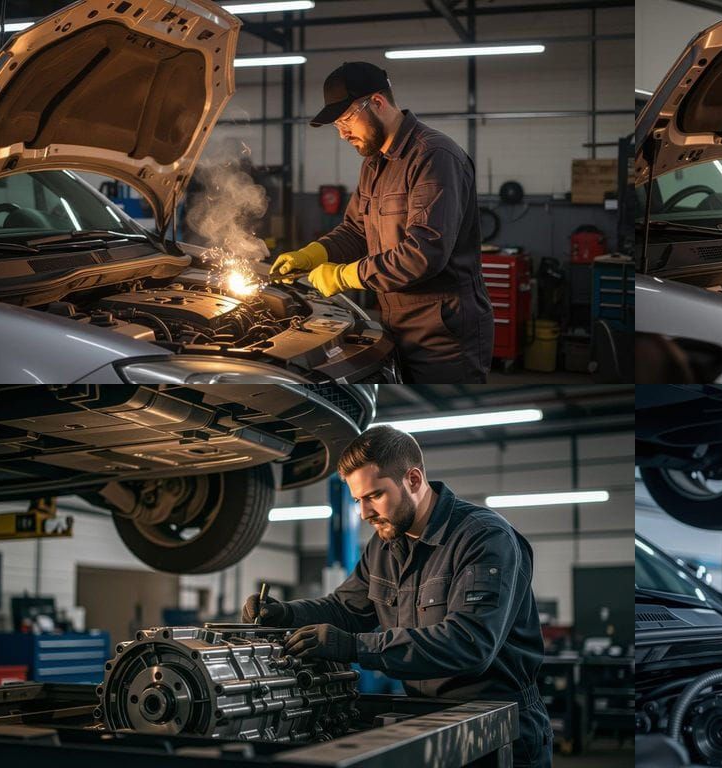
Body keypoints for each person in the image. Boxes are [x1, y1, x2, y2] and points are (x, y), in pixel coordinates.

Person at [241, 426, 551, 765]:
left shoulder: (483, 538)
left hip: (500, 725)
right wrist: (286, 613)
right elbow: (345, 609)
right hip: (427, 720)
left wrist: (354, 647)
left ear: (414, 480)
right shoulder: (384, 546)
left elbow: (470, 643)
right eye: (358, 500)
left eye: (374, 496)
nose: (364, 514)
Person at [270, 62, 493, 383]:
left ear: (377, 102)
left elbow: (424, 253)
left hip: (443, 331)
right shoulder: (375, 164)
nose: (343, 133)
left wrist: (346, 275)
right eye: (337, 125)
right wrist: (313, 254)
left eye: (346, 119)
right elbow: (356, 230)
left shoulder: (434, 156)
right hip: (394, 321)